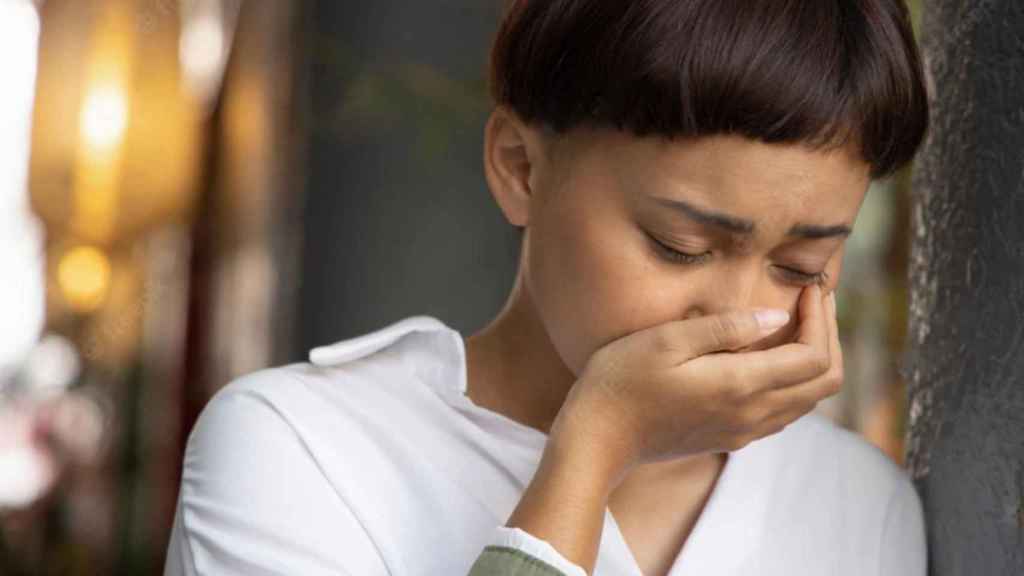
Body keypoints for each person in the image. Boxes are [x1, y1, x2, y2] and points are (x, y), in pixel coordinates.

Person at [164, 0, 930, 574]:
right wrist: (594, 448)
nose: (736, 317)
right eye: (679, 245)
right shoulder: (300, 451)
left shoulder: (858, 503)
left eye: (801, 266)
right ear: (521, 168)